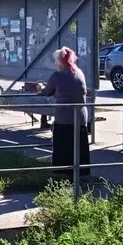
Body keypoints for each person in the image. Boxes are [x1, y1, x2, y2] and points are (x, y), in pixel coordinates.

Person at [39, 47, 91, 176]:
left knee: (64, 150)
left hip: (64, 119)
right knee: (78, 149)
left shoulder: (57, 75)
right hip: (80, 117)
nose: (55, 64)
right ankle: (78, 179)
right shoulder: (79, 72)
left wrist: (40, 87)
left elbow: (46, 92)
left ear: (60, 62)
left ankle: (66, 179)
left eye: (56, 61)